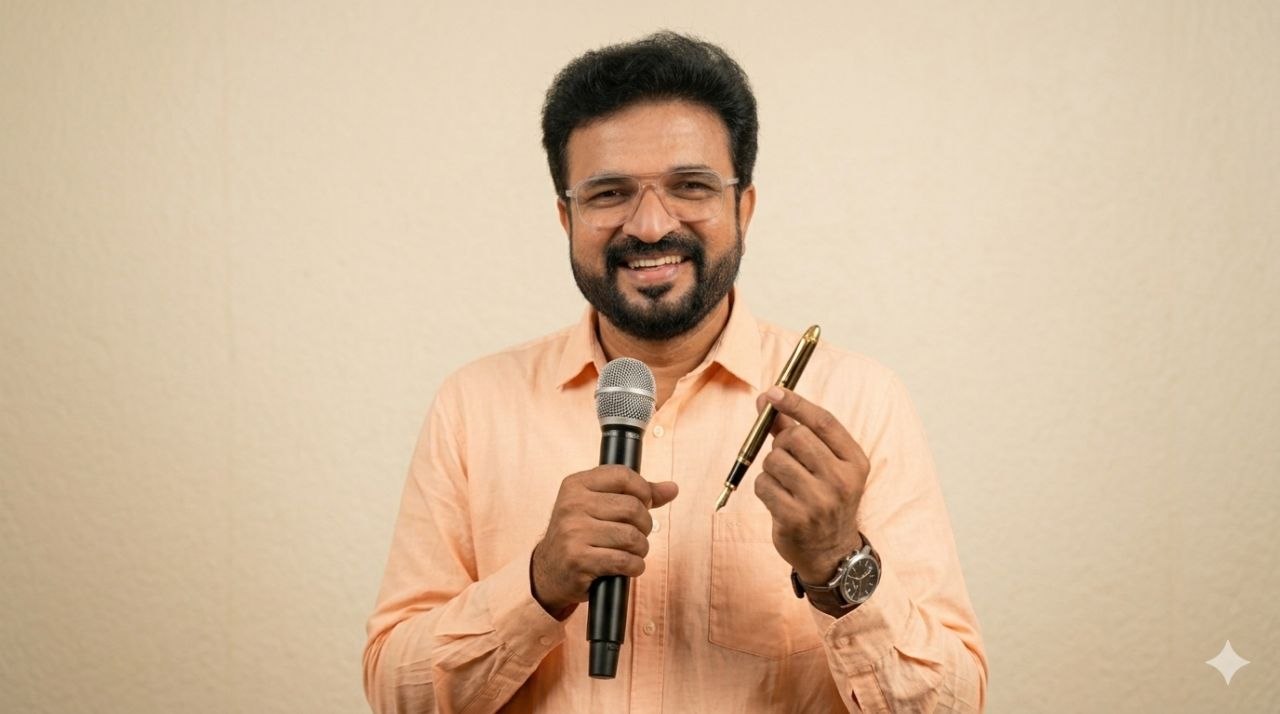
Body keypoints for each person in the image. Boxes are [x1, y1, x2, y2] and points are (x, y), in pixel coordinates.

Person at [364, 31, 987, 713]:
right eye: (609, 193)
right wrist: (538, 584)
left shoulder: (860, 401)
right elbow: (397, 695)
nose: (651, 225)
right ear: (566, 217)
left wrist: (838, 562)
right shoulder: (473, 404)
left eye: (690, 186)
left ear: (744, 208)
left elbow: (953, 704)